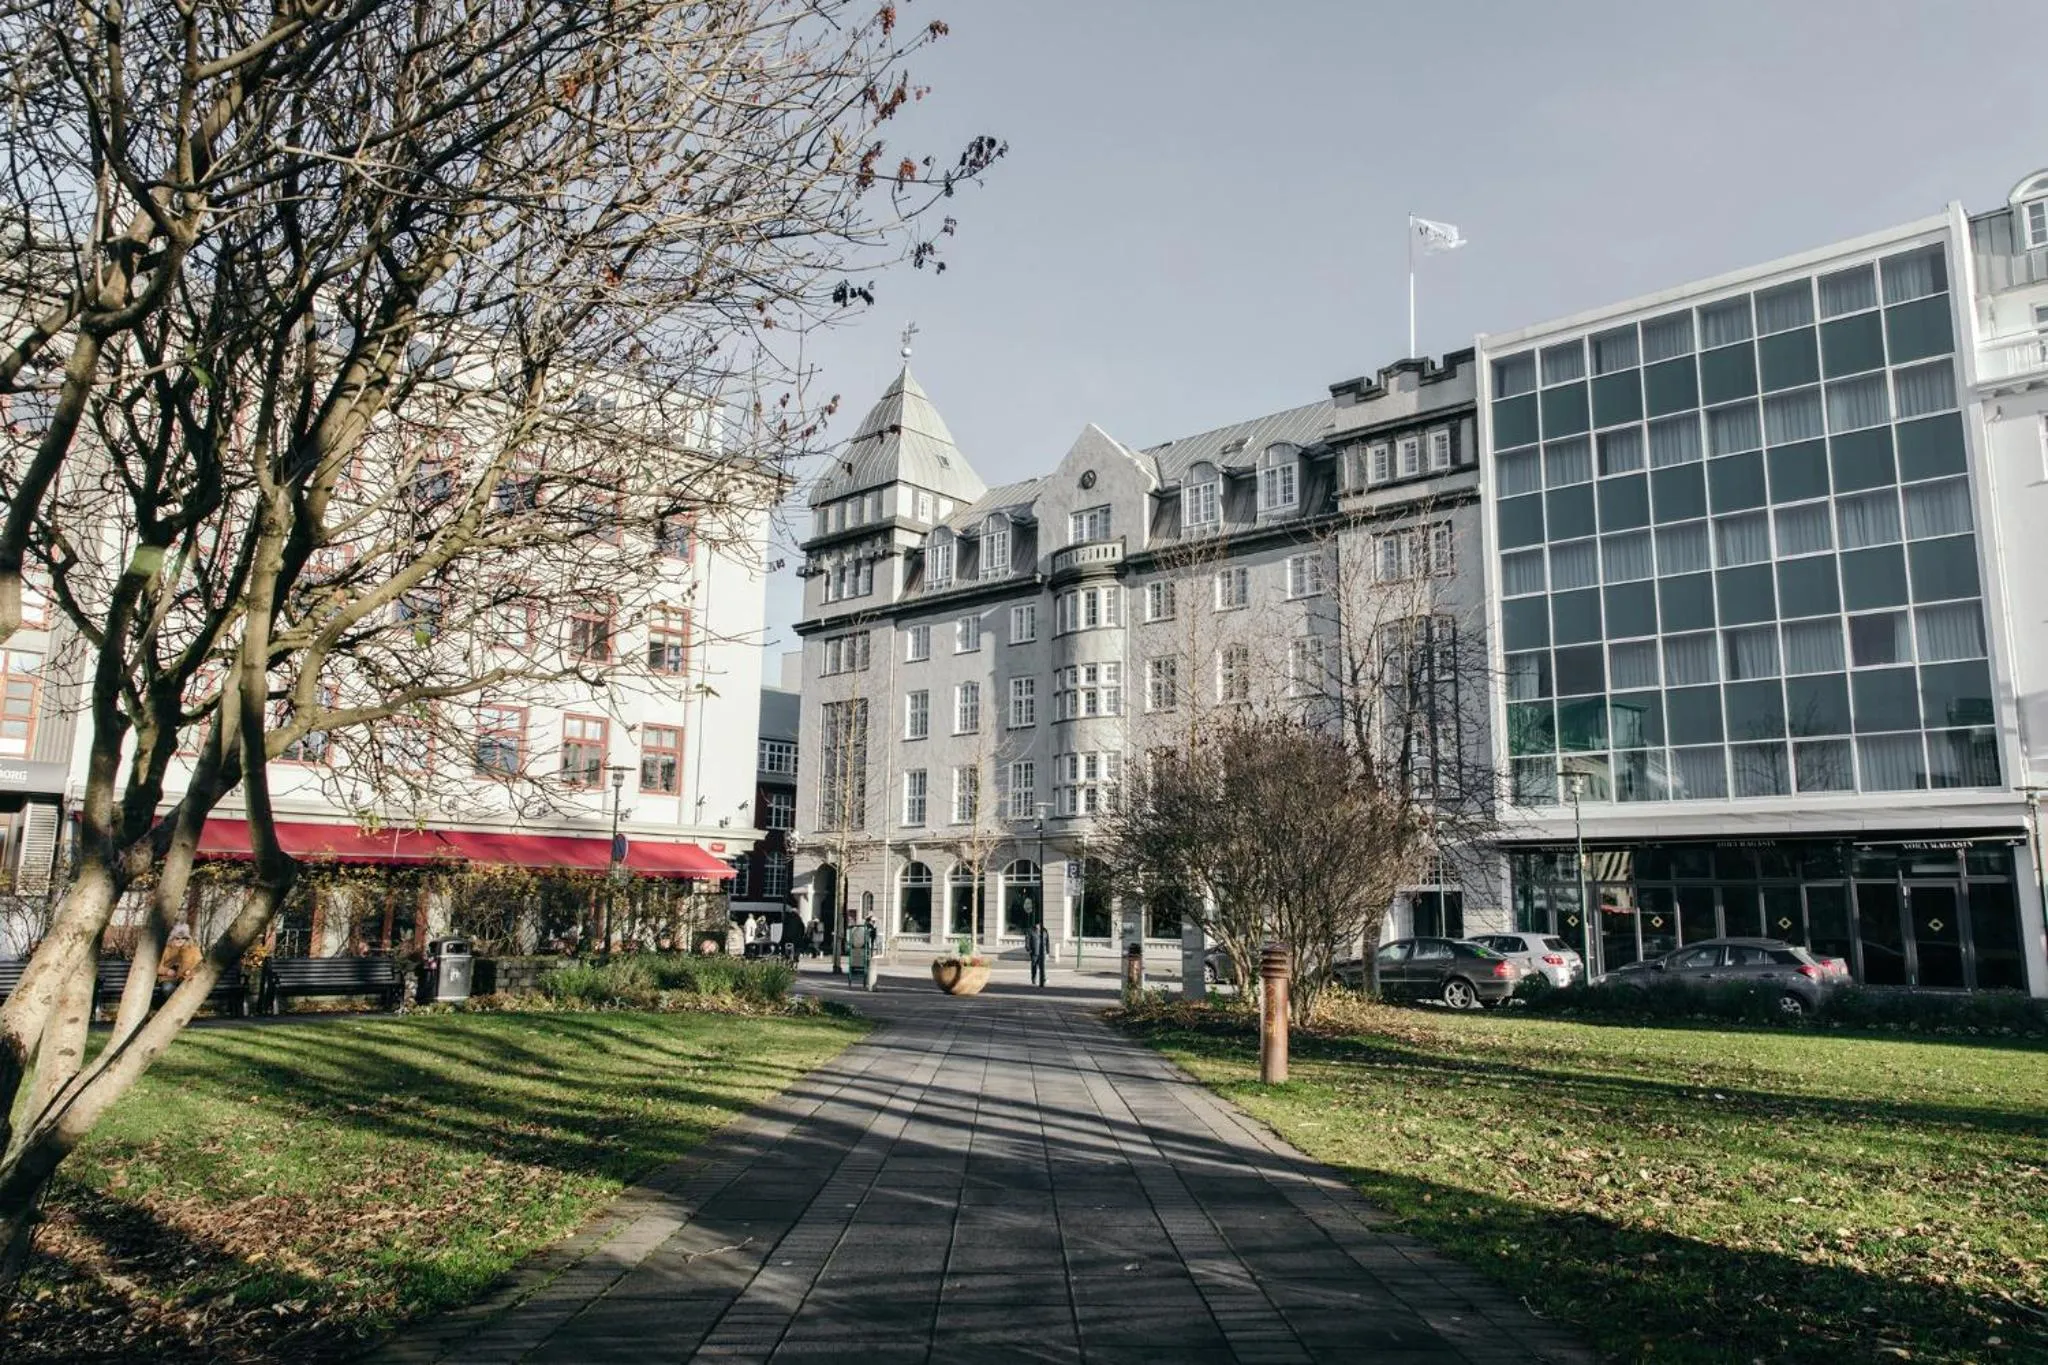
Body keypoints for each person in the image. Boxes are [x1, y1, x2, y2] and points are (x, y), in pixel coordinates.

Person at [1027, 918, 1050, 988]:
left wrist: (1048, 951)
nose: (1038, 925)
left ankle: (1043, 979)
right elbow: (1027, 940)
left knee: (1042, 967)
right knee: (1034, 966)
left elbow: (1047, 941)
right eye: (1037, 924)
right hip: (1034, 952)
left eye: (1039, 924)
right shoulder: (1031, 931)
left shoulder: (1045, 931)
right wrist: (1028, 949)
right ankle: (1033, 979)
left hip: (1042, 952)